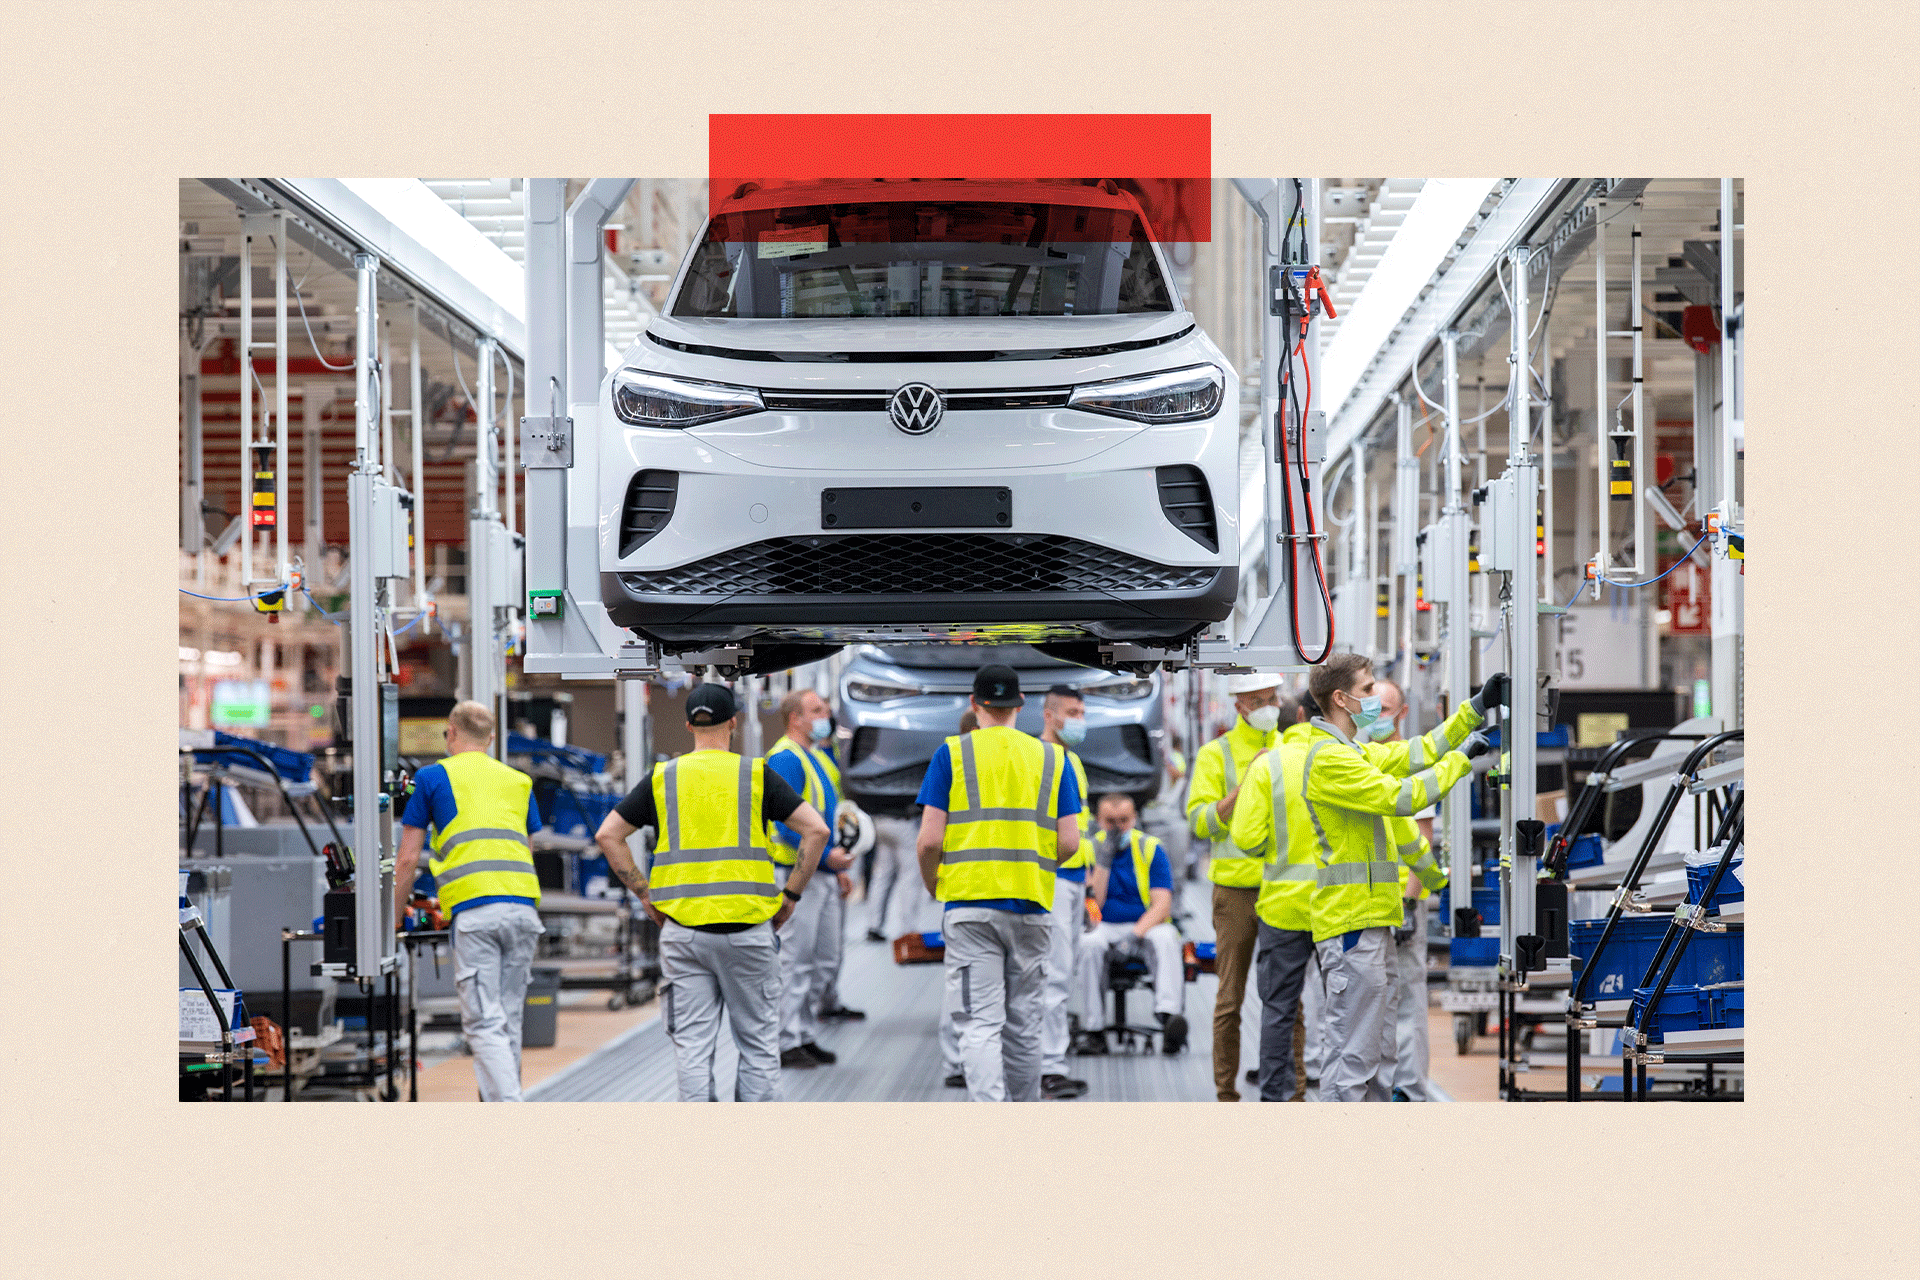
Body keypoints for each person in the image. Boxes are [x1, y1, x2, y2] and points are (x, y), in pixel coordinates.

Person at [591, 683, 829, 1102]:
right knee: (757, 1046)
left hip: (684, 935)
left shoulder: (663, 778)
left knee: (693, 1049)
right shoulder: (756, 774)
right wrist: (791, 894)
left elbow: (609, 834)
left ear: (688, 726)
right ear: (733, 723)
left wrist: (644, 894)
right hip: (749, 933)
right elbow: (817, 829)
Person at [1300, 653, 1500, 1101]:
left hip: (1372, 921)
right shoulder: (1332, 760)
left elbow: (1417, 752)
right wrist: (1462, 760)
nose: (1375, 697)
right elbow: (1404, 797)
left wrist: (1474, 708)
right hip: (1350, 926)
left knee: (1378, 1051)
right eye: (1369, 689)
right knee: (1353, 1053)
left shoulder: (1354, 751)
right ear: (1341, 698)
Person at [916, 663, 1081, 1102]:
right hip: (1030, 905)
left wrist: (936, 884)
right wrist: (1033, 863)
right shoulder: (1053, 758)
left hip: (969, 907)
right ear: (1021, 705)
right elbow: (1069, 842)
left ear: (974, 704)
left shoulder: (950, 754)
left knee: (979, 1024)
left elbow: (929, 840)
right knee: (1025, 1025)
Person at [393, 701, 546, 1102]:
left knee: (483, 1024)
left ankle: (510, 1113)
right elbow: (527, 849)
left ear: (451, 733)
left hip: (476, 915)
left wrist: (392, 919)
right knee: (507, 1021)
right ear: (491, 739)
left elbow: (408, 858)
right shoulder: (518, 780)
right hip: (524, 911)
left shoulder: (431, 777)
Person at [1185, 671, 1282, 1101]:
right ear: (1239, 705)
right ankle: (1226, 1093)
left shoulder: (1293, 746)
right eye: (1258, 700)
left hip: (1285, 888)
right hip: (1235, 892)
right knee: (1229, 999)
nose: (1268, 707)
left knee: (1286, 998)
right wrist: (1242, 791)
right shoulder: (1215, 755)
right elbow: (1200, 821)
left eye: (1273, 698)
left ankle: (1290, 1093)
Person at [1229, 692, 1320, 1102]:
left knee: (1279, 1009)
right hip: (1341, 907)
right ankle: (1345, 1098)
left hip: (1283, 908)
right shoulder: (1353, 759)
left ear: (1297, 716)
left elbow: (1246, 839)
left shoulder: (1269, 765)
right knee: (1343, 1011)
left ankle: (1275, 1101)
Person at [766, 688, 857, 1069]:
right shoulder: (786, 758)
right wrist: (825, 860)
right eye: (817, 710)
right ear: (795, 719)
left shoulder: (815, 757)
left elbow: (826, 817)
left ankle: (803, 1034)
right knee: (794, 962)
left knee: (819, 959)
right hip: (795, 874)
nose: (826, 715)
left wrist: (834, 868)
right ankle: (786, 1041)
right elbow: (786, 825)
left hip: (818, 871)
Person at [1073, 792, 1187, 1054]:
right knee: (1088, 943)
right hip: (1103, 924)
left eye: (1124, 820)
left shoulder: (1151, 848)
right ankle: (1094, 1030)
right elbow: (1092, 907)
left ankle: (1168, 1018)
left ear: (1135, 819)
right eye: (1110, 821)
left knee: (1167, 937)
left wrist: (1134, 935)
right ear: (1098, 821)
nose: (1117, 827)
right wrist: (1104, 861)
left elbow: (1162, 904)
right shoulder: (1089, 849)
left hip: (1143, 924)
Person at [1369, 677, 1439, 1101]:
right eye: (1371, 708)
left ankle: (1410, 1089)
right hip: (1368, 901)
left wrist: (1411, 902)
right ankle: (1380, 1085)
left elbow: (1423, 838)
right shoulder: (1360, 757)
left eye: (1386, 708)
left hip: (1403, 898)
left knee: (1409, 998)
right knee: (1374, 1002)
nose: (1377, 717)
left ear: (1403, 712)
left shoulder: (1415, 763)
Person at [1037, 685, 1094, 1100]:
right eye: (1072, 712)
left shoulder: (1072, 759)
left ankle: (1051, 1059)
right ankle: (1048, 1067)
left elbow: (1080, 827)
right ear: (1049, 714)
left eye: (1081, 712)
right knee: (1052, 975)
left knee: (1064, 971)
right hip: (1053, 878)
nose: (1079, 720)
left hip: (1075, 880)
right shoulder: (1041, 758)